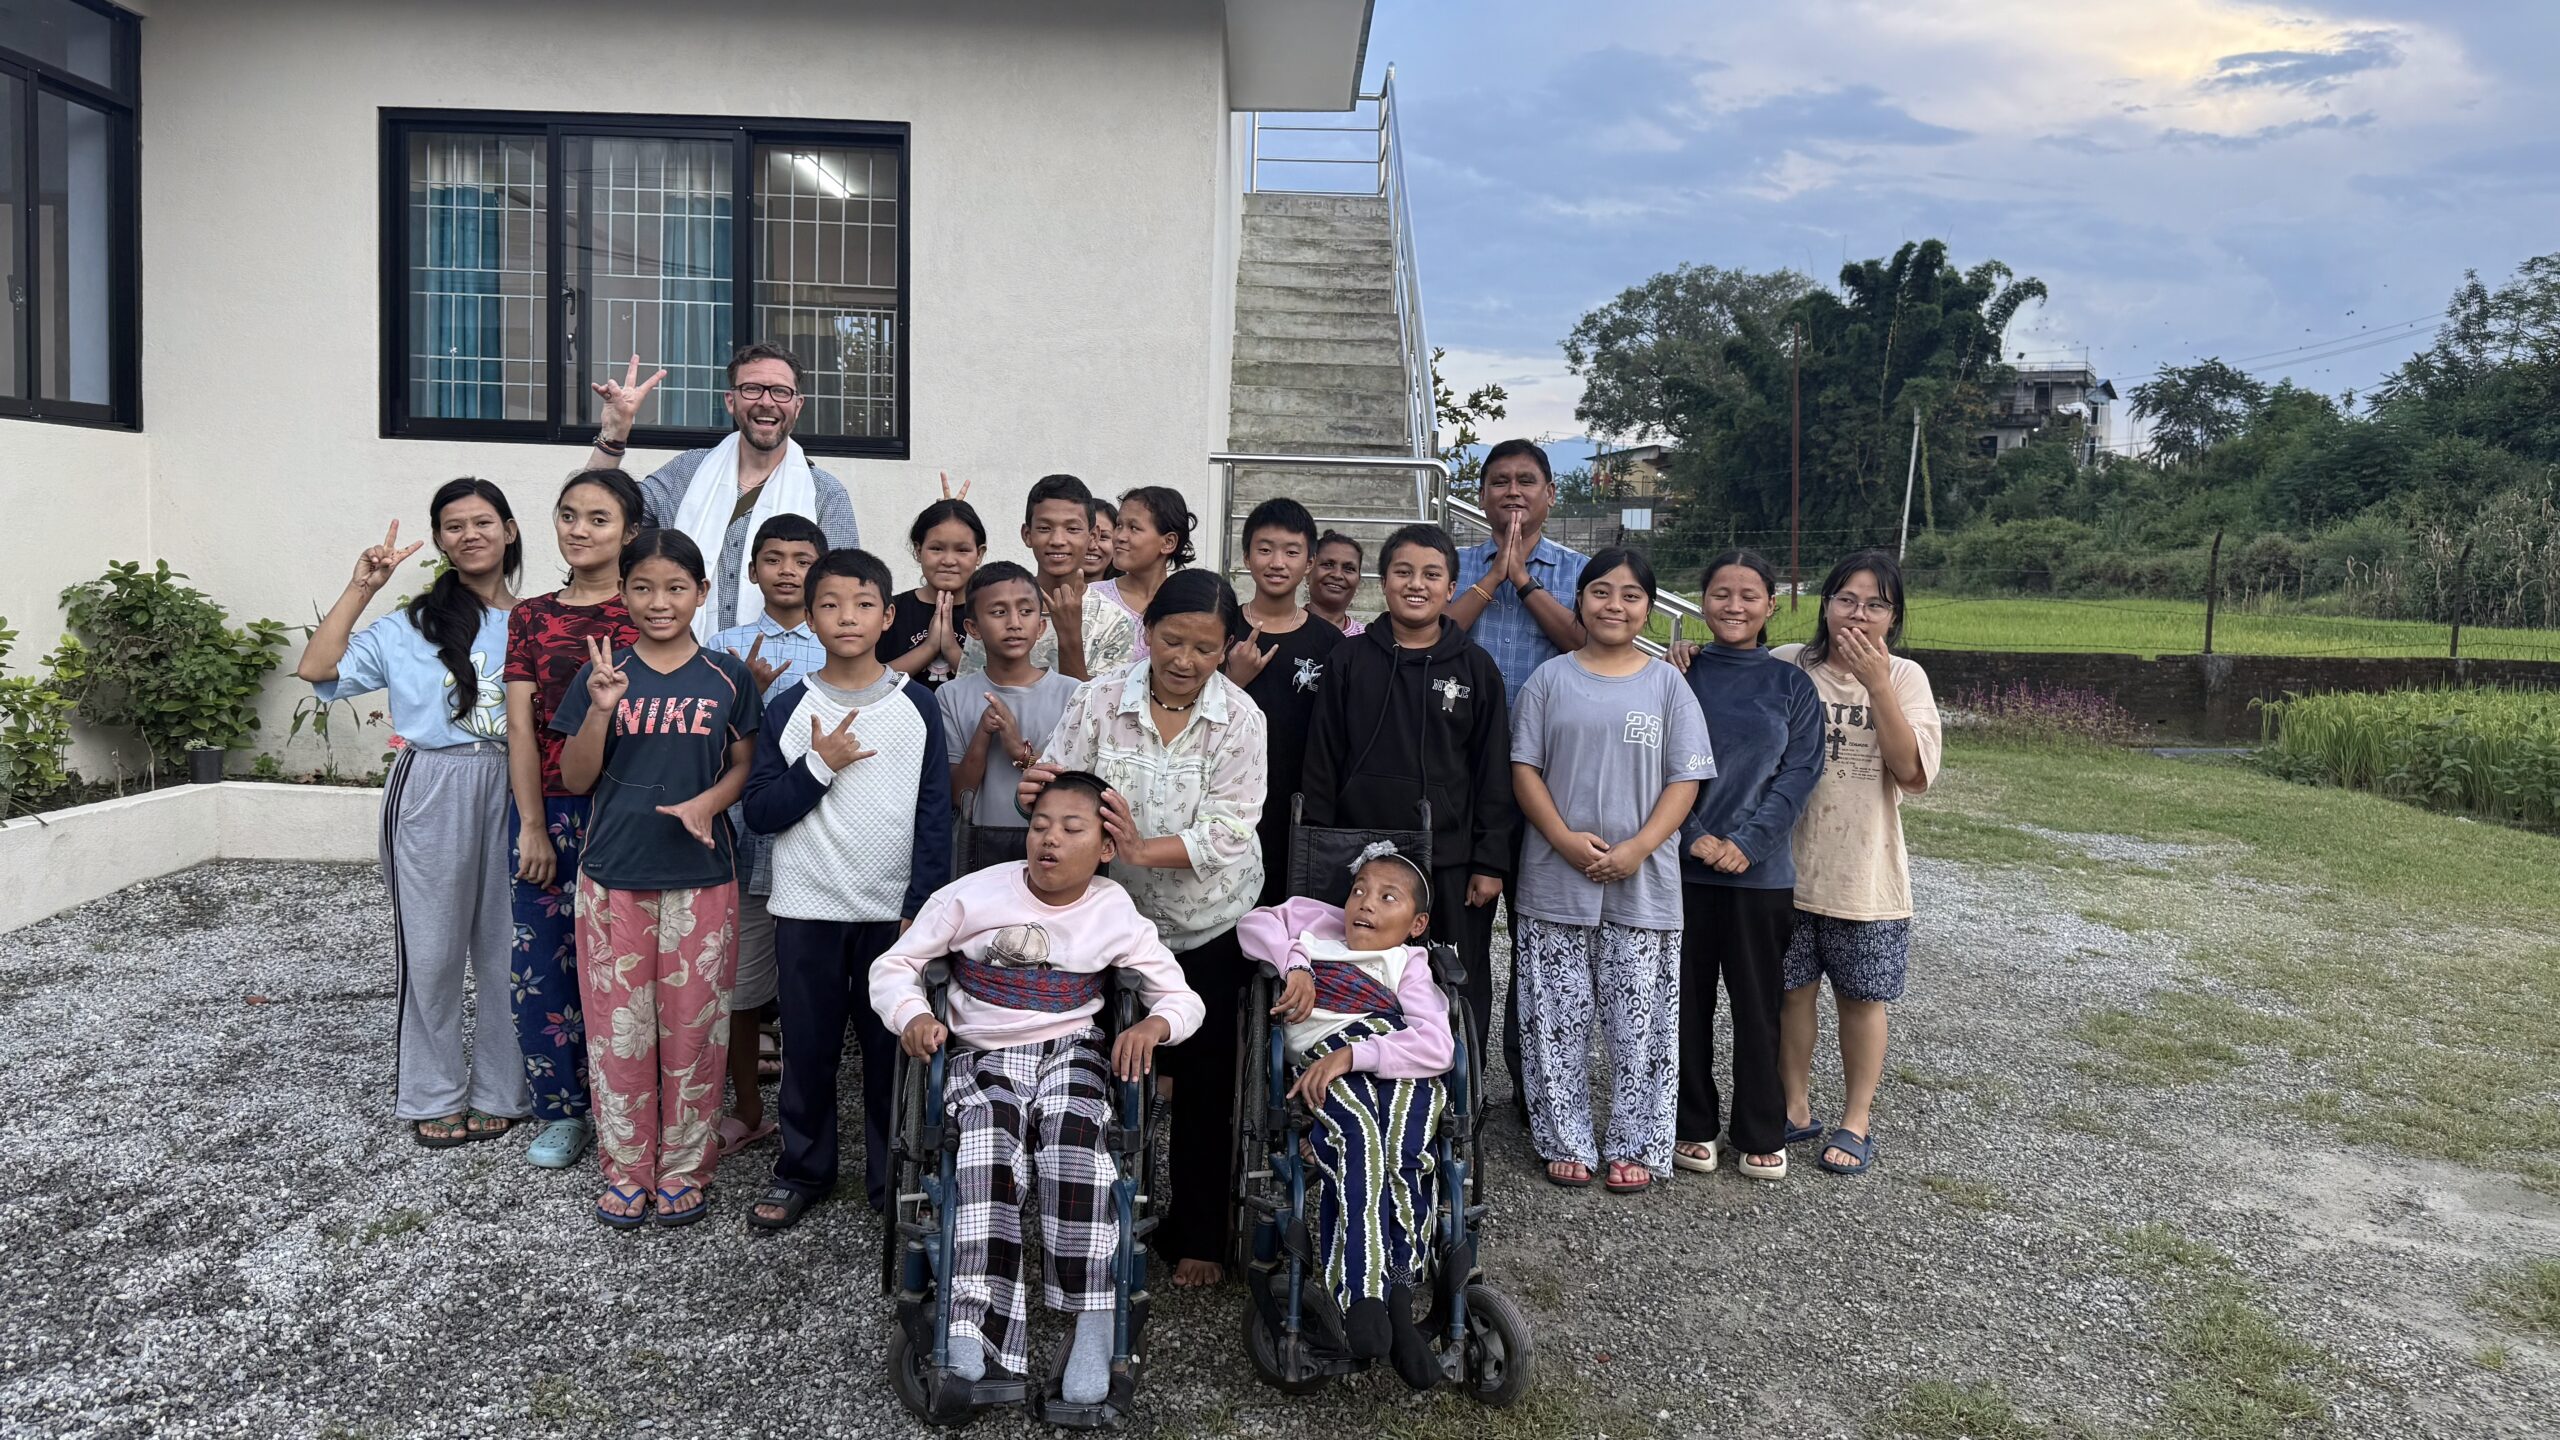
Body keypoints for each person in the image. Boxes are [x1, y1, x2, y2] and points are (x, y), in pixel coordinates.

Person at [869, 771, 1203, 1402]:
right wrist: (911, 1015)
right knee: (987, 1141)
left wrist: (1156, 1025)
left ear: (1104, 848)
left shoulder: (1112, 909)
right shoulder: (971, 895)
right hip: (984, 1051)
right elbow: (895, 965)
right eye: (1040, 825)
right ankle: (975, 1324)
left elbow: (1182, 997)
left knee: (1078, 1140)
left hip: (1072, 1052)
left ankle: (1094, 1325)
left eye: (1071, 829)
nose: (1049, 839)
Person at [1019, 568, 1267, 1288]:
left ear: (1227, 648)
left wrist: (1136, 848)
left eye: (1206, 648)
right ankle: (1088, 1217)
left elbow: (1227, 833)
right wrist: (1043, 785)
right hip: (1106, 915)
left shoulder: (1241, 719)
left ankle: (1200, 1234)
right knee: (1090, 1067)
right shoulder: (1100, 697)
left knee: (1207, 1083)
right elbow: (1060, 779)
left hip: (1206, 920)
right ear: (1146, 632)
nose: (1186, 660)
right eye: (1172, 640)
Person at [297, 480, 528, 1150]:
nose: (470, 535)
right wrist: (362, 586)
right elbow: (317, 668)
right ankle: (432, 1092)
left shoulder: (540, 619)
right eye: (452, 526)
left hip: (517, 786)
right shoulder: (410, 625)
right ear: (441, 542)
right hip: (432, 781)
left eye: (483, 522)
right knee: (429, 950)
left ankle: (501, 1089)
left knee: (510, 947)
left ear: (510, 531)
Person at [551, 529, 764, 1228]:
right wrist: (603, 709)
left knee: (692, 1032)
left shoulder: (728, 676)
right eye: (642, 587)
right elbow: (578, 778)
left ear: (702, 593)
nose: (659, 602)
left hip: (703, 878)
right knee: (620, 1034)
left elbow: (743, 766)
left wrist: (708, 802)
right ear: (624, 593)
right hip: (613, 877)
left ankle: (684, 1168)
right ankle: (626, 1167)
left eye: (676, 587)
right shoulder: (601, 674)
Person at [741, 547, 954, 1229]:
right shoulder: (788, 710)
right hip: (807, 908)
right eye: (829, 604)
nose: (846, 617)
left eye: (863, 604)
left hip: (890, 914)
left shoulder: (917, 707)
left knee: (892, 1050)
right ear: (809, 617)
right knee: (808, 1047)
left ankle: (896, 1178)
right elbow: (763, 811)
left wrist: (919, 910)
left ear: (888, 615)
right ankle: (803, 1168)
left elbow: (933, 817)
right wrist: (819, 764)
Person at [1509, 549, 1712, 1194]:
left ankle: (1638, 1143)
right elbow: (1525, 770)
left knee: (1642, 1021)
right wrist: (1564, 840)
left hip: (1644, 882)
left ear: (1648, 608)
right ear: (1580, 600)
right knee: (1552, 1015)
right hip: (1553, 874)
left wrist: (1640, 848)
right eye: (1601, 592)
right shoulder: (1549, 680)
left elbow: (1686, 780)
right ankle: (1564, 1138)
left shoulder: (1667, 685)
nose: (1614, 606)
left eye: (1629, 595)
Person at [1300, 524, 1514, 1079]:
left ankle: (1459, 1102)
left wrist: (1491, 861)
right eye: (1403, 572)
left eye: (1431, 574)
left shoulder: (1476, 669)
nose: (1415, 585)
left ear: (1451, 587)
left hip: (1448, 859)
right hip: (1359, 855)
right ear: (1384, 581)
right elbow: (1322, 761)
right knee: (1363, 979)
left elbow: (1493, 771)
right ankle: (1362, 1087)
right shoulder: (1349, 661)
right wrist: (1316, 845)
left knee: (1454, 983)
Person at [1235, 843, 1451, 1391]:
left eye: (1387, 897)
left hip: (1389, 1063)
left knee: (1403, 1154)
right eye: (1359, 890)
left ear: (1417, 924)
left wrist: (1356, 1056)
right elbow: (1252, 923)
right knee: (1360, 1141)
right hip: (1325, 1069)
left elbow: (1437, 1046)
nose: (1366, 904)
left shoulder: (1411, 963)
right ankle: (1366, 1292)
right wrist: (1297, 964)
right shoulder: (1313, 924)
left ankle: (1393, 1301)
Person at [1771, 551, 1942, 1178]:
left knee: (1863, 999)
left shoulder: (1907, 679)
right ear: (1825, 603)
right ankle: (1794, 1104)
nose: (1858, 614)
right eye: (1846, 599)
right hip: (1787, 868)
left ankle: (1857, 1118)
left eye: (1875, 604)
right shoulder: (1789, 663)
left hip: (1865, 875)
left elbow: (1912, 773)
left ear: (1892, 618)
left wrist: (1876, 686)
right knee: (1791, 992)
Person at [501, 468, 645, 1169]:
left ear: (631, 533)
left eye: (598, 518)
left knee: (628, 967)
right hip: (551, 811)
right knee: (544, 965)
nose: (579, 529)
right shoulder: (528, 615)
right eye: (568, 515)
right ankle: (562, 1112)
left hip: (627, 813)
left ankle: (632, 1107)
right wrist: (531, 823)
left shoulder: (646, 611)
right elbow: (522, 729)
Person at [1668, 551, 1826, 1180]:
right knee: (1686, 1002)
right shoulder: (1676, 676)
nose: (1733, 606)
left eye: (1748, 595)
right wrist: (1696, 836)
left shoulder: (1791, 684)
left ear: (1771, 605)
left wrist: (1749, 843)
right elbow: (1657, 766)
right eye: (1720, 594)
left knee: (1760, 1004)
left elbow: (1800, 773)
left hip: (1761, 877)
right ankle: (1691, 1123)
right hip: (1683, 872)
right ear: (1701, 602)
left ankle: (1761, 1127)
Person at [1446, 438, 1589, 1103]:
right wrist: (1491, 579)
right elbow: (1435, 634)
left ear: (1550, 495)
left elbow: (1590, 645)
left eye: (1526, 481)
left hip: (1552, 779)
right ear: (1480, 495)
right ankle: (1460, 1081)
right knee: (1462, 936)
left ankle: (1537, 1090)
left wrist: (1524, 582)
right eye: (1498, 481)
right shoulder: (1453, 565)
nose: (1512, 492)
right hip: (1466, 775)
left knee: (1541, 940)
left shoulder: (1582, 572)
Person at [584, 345, 860, 642]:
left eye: (780, 391)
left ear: (798, 405)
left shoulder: (826, 494)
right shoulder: (687, 471)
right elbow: (596, 512)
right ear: (731, 400)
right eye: (752, 389)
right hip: (684, 665)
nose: (767, 402)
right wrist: (614, 434)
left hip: (787, 671)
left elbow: (845, 595)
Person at [706, 512, 832, 1161]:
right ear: (751, 571)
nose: (788, 571)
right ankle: (748, 1110)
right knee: (744, 987)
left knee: (812, 986)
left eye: (802, 558)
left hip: (817, 843)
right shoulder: (722, 645)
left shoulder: (838, 644)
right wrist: (743, 698)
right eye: (774, 558)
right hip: (742, 844)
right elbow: (703, 748)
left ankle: (812, 1113)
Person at [1224, 498, 1345, 905]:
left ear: (1309, 563)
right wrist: (1231, 681)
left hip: (1295, 803)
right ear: (1245, 556)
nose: (1277, 562)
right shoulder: (1224, 627)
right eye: (1264, 549)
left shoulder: (1330, 644)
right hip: (1226, 798)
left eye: (1292, 552)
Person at [941, 561, 1084, 869]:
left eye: (1026, 611)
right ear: (973, 628)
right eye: (998, 612)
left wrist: (1021, 751)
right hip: (976, 848)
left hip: (1051, 851)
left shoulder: (1073, 694)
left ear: (1042, 625)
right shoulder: (951, 696)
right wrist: (982, 734)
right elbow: (958, 794)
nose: (1014, 623)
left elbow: (1078, 788)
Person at [994, 473, 1131, 684]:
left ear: (1092, 537)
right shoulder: (997, 607)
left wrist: (1070, 636)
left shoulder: (1115, 622)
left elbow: (1098, 711)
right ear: (1027, 534)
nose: (1058, 540)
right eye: (1044, 528)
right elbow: (975, 691)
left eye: (1072, 529)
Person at [881, 497, 985, 690]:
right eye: (936, 549)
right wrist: (928, 648)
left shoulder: (990, 613)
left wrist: (950, 648)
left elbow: (994, 688)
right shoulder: (889, 612)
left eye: (962, 550)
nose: (948, 560)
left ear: (979, 554)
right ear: (918, 550)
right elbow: (872, 685)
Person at [1090, 486, 1193, 663]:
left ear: (1168, 542)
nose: (1120, 536)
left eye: (1134, 528)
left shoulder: (1187, 605)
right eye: (1119, 525)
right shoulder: (1092, 598)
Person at [1306, 530, 1367, 638]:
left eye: (1349, 569)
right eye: (1328, 565)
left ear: (1358, 580)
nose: (1337, 575)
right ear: (1308, 571)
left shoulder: (1366, 640)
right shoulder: (1285, 628)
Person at [1083, 497, 1120, 584]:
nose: (1092, 546)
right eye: (1085, 535)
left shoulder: (1130, 596)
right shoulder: (1045, 594)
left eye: (1103, 537)